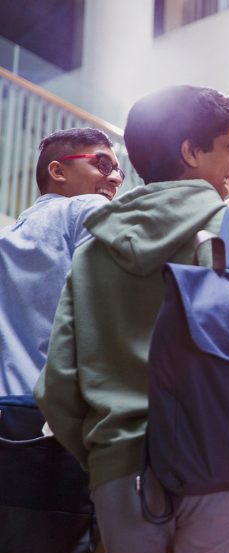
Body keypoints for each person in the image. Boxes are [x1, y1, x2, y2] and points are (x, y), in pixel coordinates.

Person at [34, 85, 229, 553]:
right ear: (191, 152)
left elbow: (57, 385)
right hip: (224, 457)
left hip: (122, 470)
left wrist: (106, 455)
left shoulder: (93, 250)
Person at [0, 128, 119, 396]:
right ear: (58, 172)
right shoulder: (87, 207)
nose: (115, 179)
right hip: (57, 416)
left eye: (117, 171)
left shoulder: (4, 238)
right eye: (103, 164)